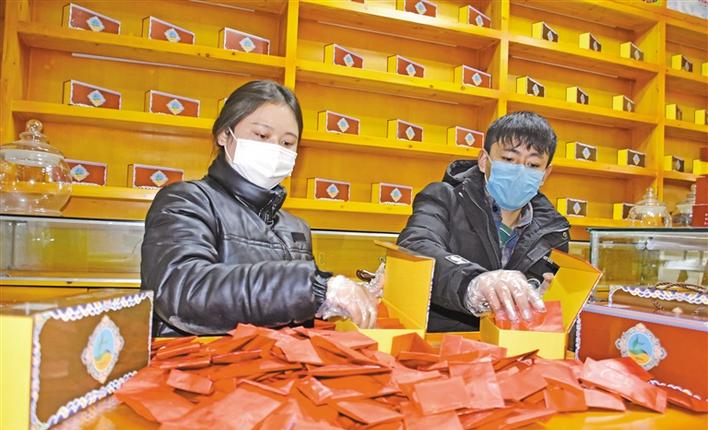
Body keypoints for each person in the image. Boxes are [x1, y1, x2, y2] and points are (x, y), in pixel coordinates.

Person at [141, 80, 379, 336]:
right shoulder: (186, 201)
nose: (275, 149)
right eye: (262, 135)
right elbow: (184, 290)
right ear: (224, 134)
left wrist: (338, 302)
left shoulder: (296, 228)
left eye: (287, 143)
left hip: (272, 360)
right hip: (202, 357)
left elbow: (293, 315)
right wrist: (314, 287)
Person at [397, 111, 571, 332]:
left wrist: (546, 305)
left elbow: (556, 305)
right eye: (509, 159)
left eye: (533, 165)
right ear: (483, 160)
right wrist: (475, 282)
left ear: (545, 174)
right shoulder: (443, 198)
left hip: (516, 346)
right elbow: (415, 246)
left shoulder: (554, 233)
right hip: (442, 340)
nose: (520, 171)